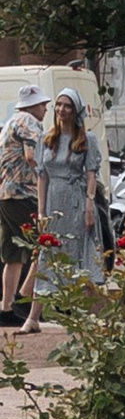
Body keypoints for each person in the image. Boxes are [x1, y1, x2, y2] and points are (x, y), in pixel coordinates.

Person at [35, 91, 108, 300]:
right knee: (48, 253)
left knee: (80, 252)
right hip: (53, 201)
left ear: (75, 111)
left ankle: (86, 311)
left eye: (67, 106)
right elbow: (42, 177)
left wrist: (88, 207)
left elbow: (91, 174)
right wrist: (41, 212)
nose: (61, 110)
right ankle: (33, 316)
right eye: (58, 105)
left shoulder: (86, 138)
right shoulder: (46, 138)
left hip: (77, 200)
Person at [0, 88, 42, 327]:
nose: (45, 109)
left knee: (12, 254)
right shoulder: (28, 121)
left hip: (5, 194)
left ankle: (5, 308)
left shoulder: (9, 124)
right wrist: (43, 178)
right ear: (32, 105)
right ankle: (26, 298)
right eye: (42, 105)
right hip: (25, 193)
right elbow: (31, 155)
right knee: (44, 244)